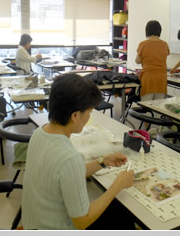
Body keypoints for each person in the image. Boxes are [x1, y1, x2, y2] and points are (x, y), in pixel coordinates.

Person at [22, 73, 135, 230]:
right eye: (89, 112)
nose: (89, 116)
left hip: (34, 225)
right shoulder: (69, 158)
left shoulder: (40, 133)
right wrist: (117, 186)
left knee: (116, 211)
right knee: (124, 214)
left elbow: (65, 174)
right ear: (75, 115)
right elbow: (82, 222)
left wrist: (102, 162)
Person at [135, 20, 170, 101]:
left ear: (147, 30)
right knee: (159, 106)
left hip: (148, 77)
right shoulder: (164, 44)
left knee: (147, 105)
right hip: (161, 77)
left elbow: (137, 61)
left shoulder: (143, 44)